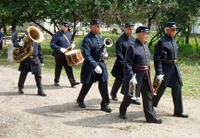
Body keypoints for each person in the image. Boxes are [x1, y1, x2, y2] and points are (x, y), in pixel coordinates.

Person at [119, 26, 163, 124]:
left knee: (148, 96)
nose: (147, 36)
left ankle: (151, 117)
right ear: (138, 35)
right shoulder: (132, 46)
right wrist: (131, 76)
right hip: (136, 76)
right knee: (129, 97)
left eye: (147, 34)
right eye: (145, 34)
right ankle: (122, 110)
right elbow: (128, 64)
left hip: (145, 76)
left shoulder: (145, 45)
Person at [153, 22, 188, 118]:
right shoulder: (162, 41)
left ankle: (178, 111)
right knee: (158, 89)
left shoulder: (173, 40)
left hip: (174, 68)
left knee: (177, 87)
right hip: (165, 68)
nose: (174, 31)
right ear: (166, 30)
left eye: (175, 29)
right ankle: (150, 107)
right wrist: (159, 72)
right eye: (172, 29)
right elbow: (157, 58)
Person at [76, 19, 112, 113]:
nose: (99, 28)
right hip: (91, 65)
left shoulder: (100, 37)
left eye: (100, 26)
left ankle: (105, 104)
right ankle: (80, 99)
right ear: (91, 27)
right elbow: (87, 54)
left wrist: (105, 55)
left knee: (104, 83)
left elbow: (101, 49)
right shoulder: (87, 39)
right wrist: (95, 65)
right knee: (87, 84)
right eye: (97, 26)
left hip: (101, 63)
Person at [110, 22, 141, 105]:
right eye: (129, 29)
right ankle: (113, 93)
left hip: (131, 65)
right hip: (122, 64)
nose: (131, 31)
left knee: (132, 81)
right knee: (119, 80)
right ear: (125, 29)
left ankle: (132, 97)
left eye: (132, 29)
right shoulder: (120, 40)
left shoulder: (134, 39)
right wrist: (124, 66)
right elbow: (119, 55)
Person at [14, 24, 46, 96]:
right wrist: (19, 43)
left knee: (38, 75)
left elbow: (39, 51)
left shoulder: (37, 39)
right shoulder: (23, 37)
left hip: (35, 59)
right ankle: (20, 88)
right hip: (26, 60)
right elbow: (15, 43)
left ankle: (40, 90)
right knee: (23, 75)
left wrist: (42, 60)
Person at [50, 21, 80, 87]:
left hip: (67, 55)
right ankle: (56, 81)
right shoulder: (56, 35)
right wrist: (60, 49)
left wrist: (72, 44)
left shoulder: (68, 33)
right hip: (59, 55)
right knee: (58, 68)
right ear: (61, 26)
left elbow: (70, 40)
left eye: (67, 26)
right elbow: (52, 44)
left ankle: (72, 82)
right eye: (65, 26)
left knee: (69, 68)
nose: (66, 27)